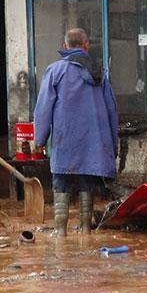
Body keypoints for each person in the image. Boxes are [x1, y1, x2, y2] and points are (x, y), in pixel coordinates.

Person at [33, 28, 119, 236]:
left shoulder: (54, 71)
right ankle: (85, 231)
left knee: (60, 185)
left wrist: (40, 138)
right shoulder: (99, 73)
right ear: (86, 45)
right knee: (87, 186)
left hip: (64, 142)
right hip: (93, 144)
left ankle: (60, 233)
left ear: (65, 46)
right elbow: (111, 111)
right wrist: (112, 146)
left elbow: (43, 108)